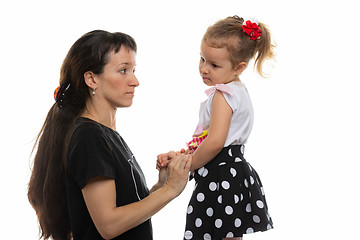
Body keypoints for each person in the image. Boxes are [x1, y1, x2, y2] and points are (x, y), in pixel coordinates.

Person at [27, 30, 192, 240]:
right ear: (91, 79)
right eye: (123, 70)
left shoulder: (106, 135)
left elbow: (127, 213)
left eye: (133, 70)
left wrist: (162, 184)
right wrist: (170, 190)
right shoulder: (89, 137)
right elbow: (109, 225)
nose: (135, 81)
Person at [157, 16, 275, 240]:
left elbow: (215, 142)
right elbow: (208, 140)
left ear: (239, 67)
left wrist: (187, 165)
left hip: (221, 173)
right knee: (228, 233)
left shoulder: (223, 95)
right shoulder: (237, 92)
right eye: (202, 59)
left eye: (214, 65)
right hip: (231, 170)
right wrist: (181, 156)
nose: (204, 69)